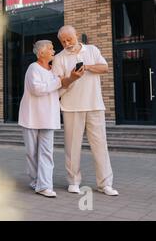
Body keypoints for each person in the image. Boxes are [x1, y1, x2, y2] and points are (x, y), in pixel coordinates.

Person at [52, 25, 119, 196]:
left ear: (76, 36)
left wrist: (87, 67)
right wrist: (72, 78)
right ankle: (73, 181)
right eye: (63, 41)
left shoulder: (92, 50)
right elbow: (59, 84)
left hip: (95, 105)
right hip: (71, 107)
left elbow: (105, 68)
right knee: (72, 148)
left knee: (100, 146)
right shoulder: (59, 58)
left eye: (70, 39)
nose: (67, 43)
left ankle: (105, 184)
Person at [18, 40, 62, 198]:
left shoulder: (54, 71)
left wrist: (62, 82)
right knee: (32, 152)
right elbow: (37, 89)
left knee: (47, 152)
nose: (53, 51)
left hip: (49, 117)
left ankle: (44, 185)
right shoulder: (33, 68)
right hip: (31, 116)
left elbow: (57, 90)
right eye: (50, 48)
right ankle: (36, 180)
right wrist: (58, 82)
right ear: (41, 52)